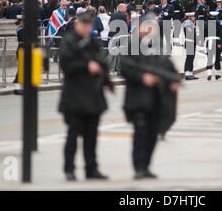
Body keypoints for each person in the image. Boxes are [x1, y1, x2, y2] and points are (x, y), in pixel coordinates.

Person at [120, 12, 180, 179]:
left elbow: (168, 66)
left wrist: (174, 79)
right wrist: (142, 77)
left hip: (155, 98)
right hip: (138, 98)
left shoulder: (156, 46)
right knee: (140, 133)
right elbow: (124, 67)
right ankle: (138, 167)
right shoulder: (132, 45)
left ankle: (146, 166)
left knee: (153, 134)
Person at [58, 10, 112, 181]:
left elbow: (102, 61)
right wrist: (86, 65)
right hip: (75, 96)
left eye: (89, 25)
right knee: (73, 135)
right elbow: (66, 64)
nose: (87, 28)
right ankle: (69, 169)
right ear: (77, 24)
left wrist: (107, 81)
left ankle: (91, 168)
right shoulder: (70, 40)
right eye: (85, 24)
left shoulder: (91, 42)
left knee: (91, 136)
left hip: (93, 95)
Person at [183, 12, 198, 80]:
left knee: (192, 58)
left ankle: (190, 73)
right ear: (189, 17)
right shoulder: (187, 24)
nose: (194, 18)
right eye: (193, 17)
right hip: (190, 42)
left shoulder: (191, 23)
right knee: (189, 58)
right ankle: (187, 73)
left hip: (192, 42)